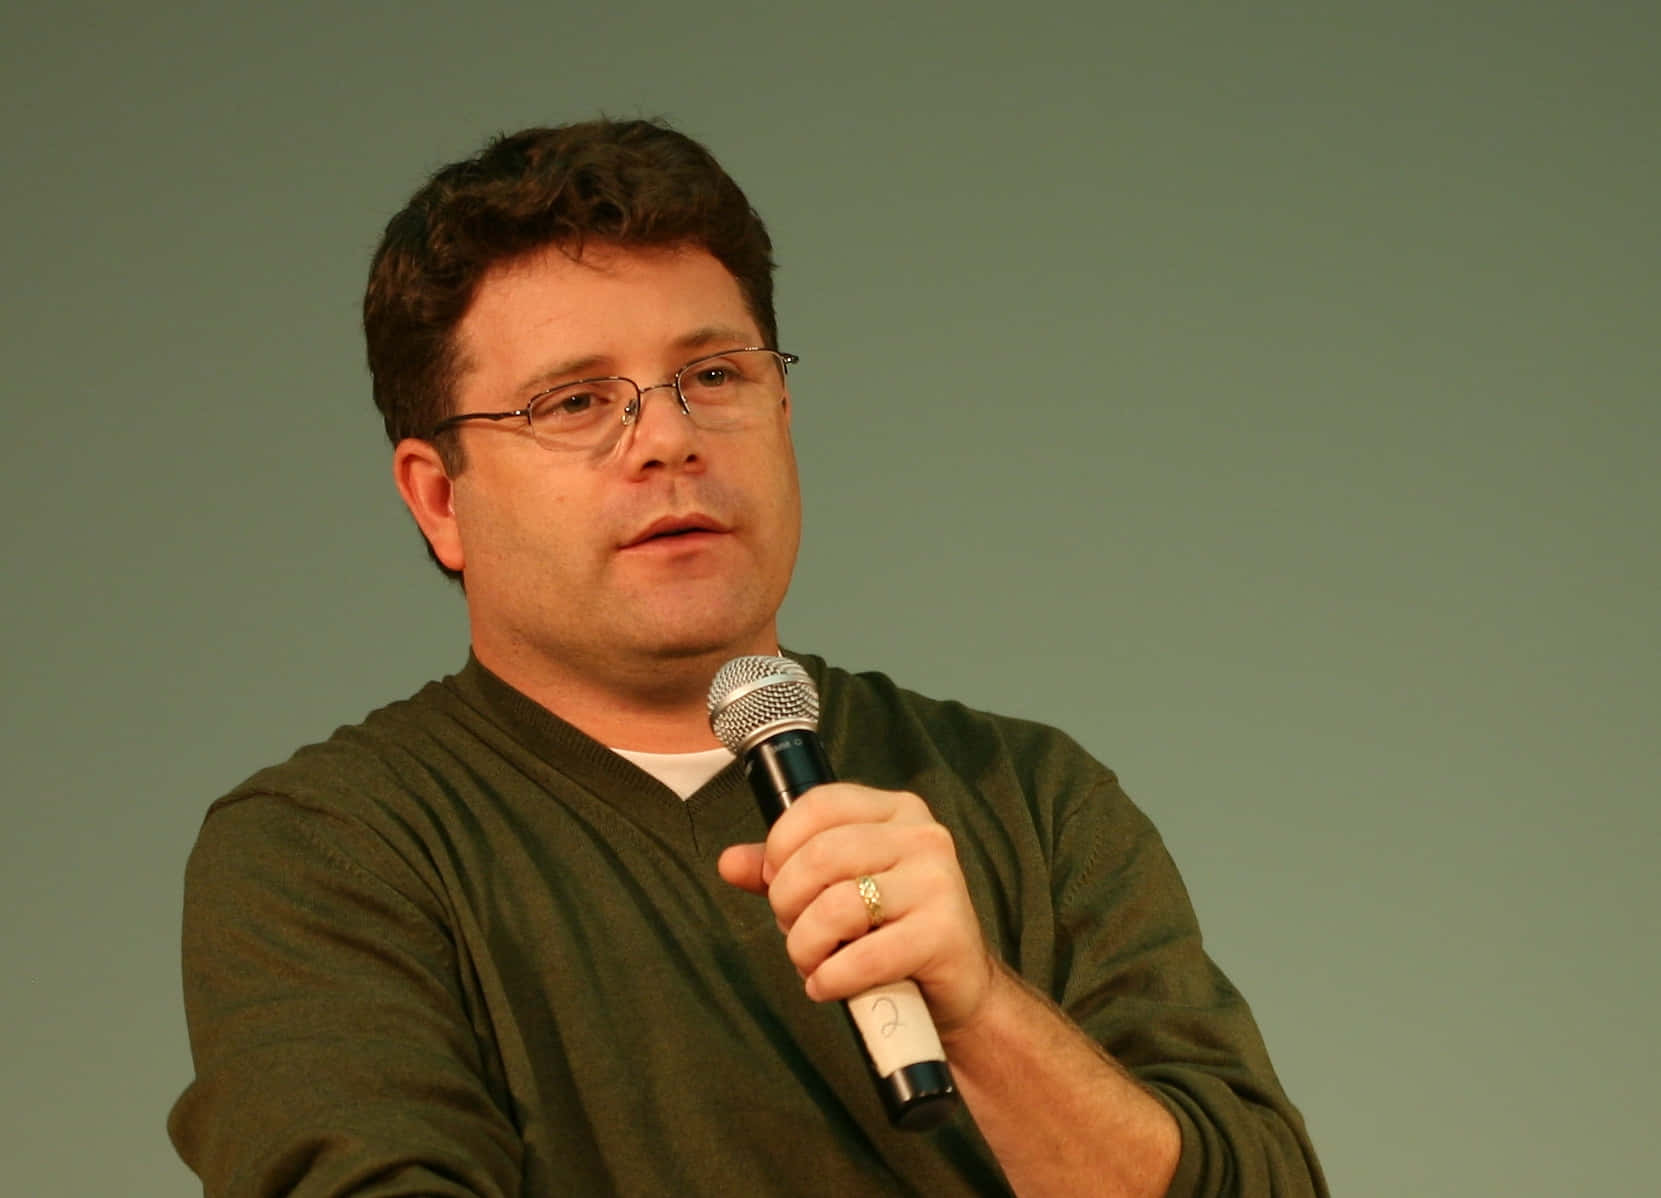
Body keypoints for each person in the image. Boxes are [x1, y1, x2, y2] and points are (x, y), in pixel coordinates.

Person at [168, 118, 1326, 1197]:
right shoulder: (329, 849)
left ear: (782, 410)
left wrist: (984, 1016)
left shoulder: (1023, 793)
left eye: (713, 376)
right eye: (574, 402)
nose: (668, 439)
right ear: (437, 500)